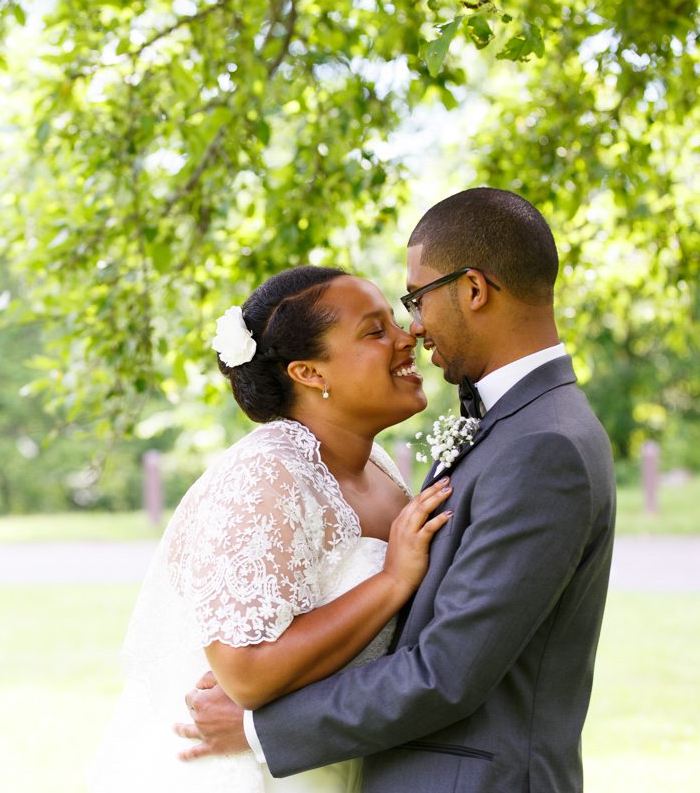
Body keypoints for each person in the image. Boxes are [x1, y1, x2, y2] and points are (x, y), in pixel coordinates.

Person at [178, 188, 617, 793]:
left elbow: (446, 672)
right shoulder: (516, 427)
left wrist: (260, 730)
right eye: (378, 327)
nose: (412, 329)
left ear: (473, 290)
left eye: (414, 300)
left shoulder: (542, 446)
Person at [88, 266, 454, 792]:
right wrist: (392, 580)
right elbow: (245, 674)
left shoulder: (376, 465)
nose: (408, 337)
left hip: (336, 759)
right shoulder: (265, 475)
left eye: (396, 323)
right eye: (375, 331)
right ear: (309, 373)